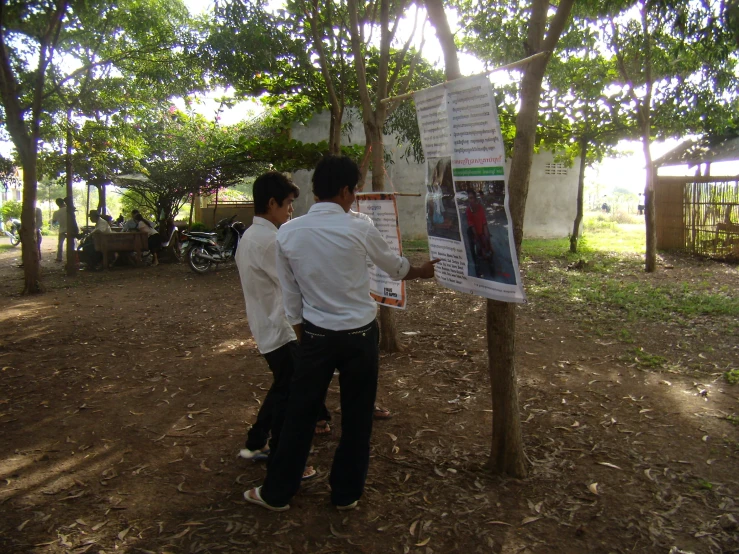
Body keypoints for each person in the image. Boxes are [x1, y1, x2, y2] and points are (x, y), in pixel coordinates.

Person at [244, 155, 438, 512]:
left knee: (299, 418)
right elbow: (394, 267)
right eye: (355, 190)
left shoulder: (288, 232)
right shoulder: (359, 227)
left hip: (316, 336)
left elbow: (291, 296)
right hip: (361, 337)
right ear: (346, 190)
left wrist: (304, 336)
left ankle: (277, 493)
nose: (355, 197)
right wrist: (423, 272)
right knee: (358, 416)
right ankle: (346, 493)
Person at [234, 172, 320, 481]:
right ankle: (284, 459)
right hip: (280, 328)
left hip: (269, 324)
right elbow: (296, 281)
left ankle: (255, 443)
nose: (291, 211)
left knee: (283, 386)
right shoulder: (268, 241)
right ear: (271, 203)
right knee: (292, 394)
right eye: (288, 205)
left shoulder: (251, 237)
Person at [52, 198, 68, 262]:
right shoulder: (68, 209)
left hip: (62, 229)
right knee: (72, 243)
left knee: (60, 244)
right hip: (69, 229)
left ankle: (59, 257)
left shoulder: (56, 213)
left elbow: (54, 222)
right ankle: (72, 256)